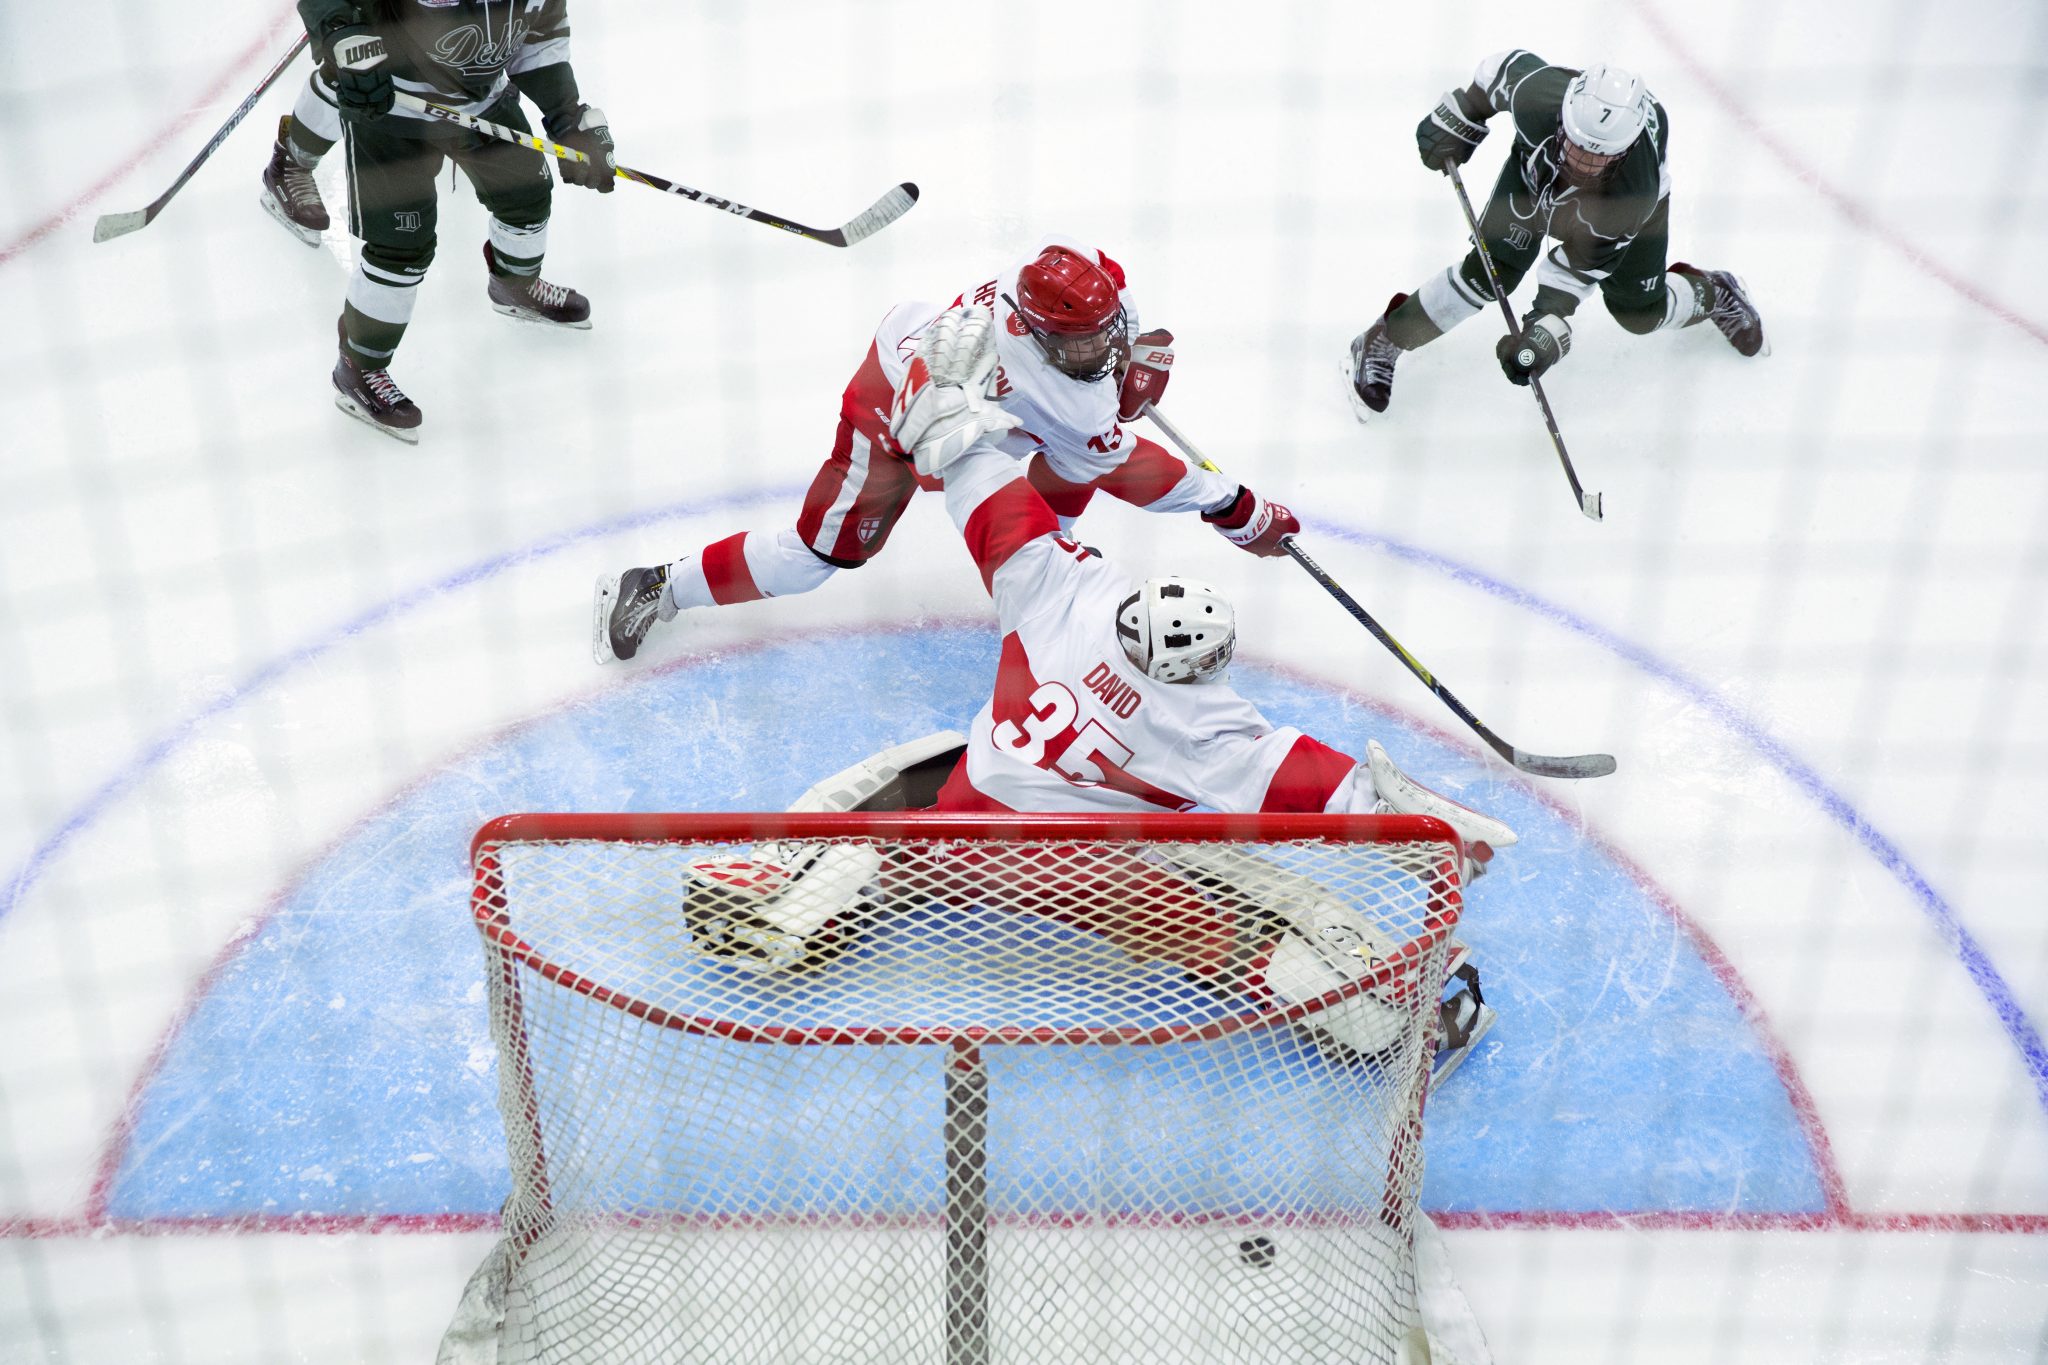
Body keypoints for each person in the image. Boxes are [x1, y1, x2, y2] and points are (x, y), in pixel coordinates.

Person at [681, 305, 1515, 1076]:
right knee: (1235, 924)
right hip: (1077, 864)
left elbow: (983, 485)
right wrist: (1444, 833)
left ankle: (794, 887)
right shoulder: (1215, 731)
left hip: (977, 810)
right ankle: (1404, 1031)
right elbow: (1350, 797)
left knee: (908, 780)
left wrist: (942, 405)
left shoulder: (1067, 590)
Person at [592, 236, 1300, 663]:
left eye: (1107, 330)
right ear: (1035, 333)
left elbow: (1110, 320)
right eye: (1083, 344)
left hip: (968, 395)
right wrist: (1236, 507)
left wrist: (1128, 356)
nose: (1103, 349)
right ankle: (660, 584)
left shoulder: (1058, 275)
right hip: (895, 413)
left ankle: (1050, 565)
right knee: (816, 558)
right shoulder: (1063, 395)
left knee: (1068, 458)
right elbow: (1128, 466)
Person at [1347, 51, 1766, 418]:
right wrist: (1462, 114)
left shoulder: (1634, 194)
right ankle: (1386, 338)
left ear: (1624, 148)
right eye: (1577, 145)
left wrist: (1544, 330)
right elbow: (1499, 72)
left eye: (1598, 156)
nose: (1581, 163)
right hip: (1532, 179)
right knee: (1490, 273)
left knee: (1640, 314)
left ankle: (1716, 292)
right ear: (1564, 118)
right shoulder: (1540, 97)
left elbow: (1574, 274)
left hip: (1616, 213)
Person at [282, 1, 617, 442]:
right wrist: (342, 32)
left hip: (483, 101)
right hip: (393, 109)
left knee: (527, 196)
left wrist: (567, 116)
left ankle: (515, 284)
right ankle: (359, 367)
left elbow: (541, 38)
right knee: (401, 246)